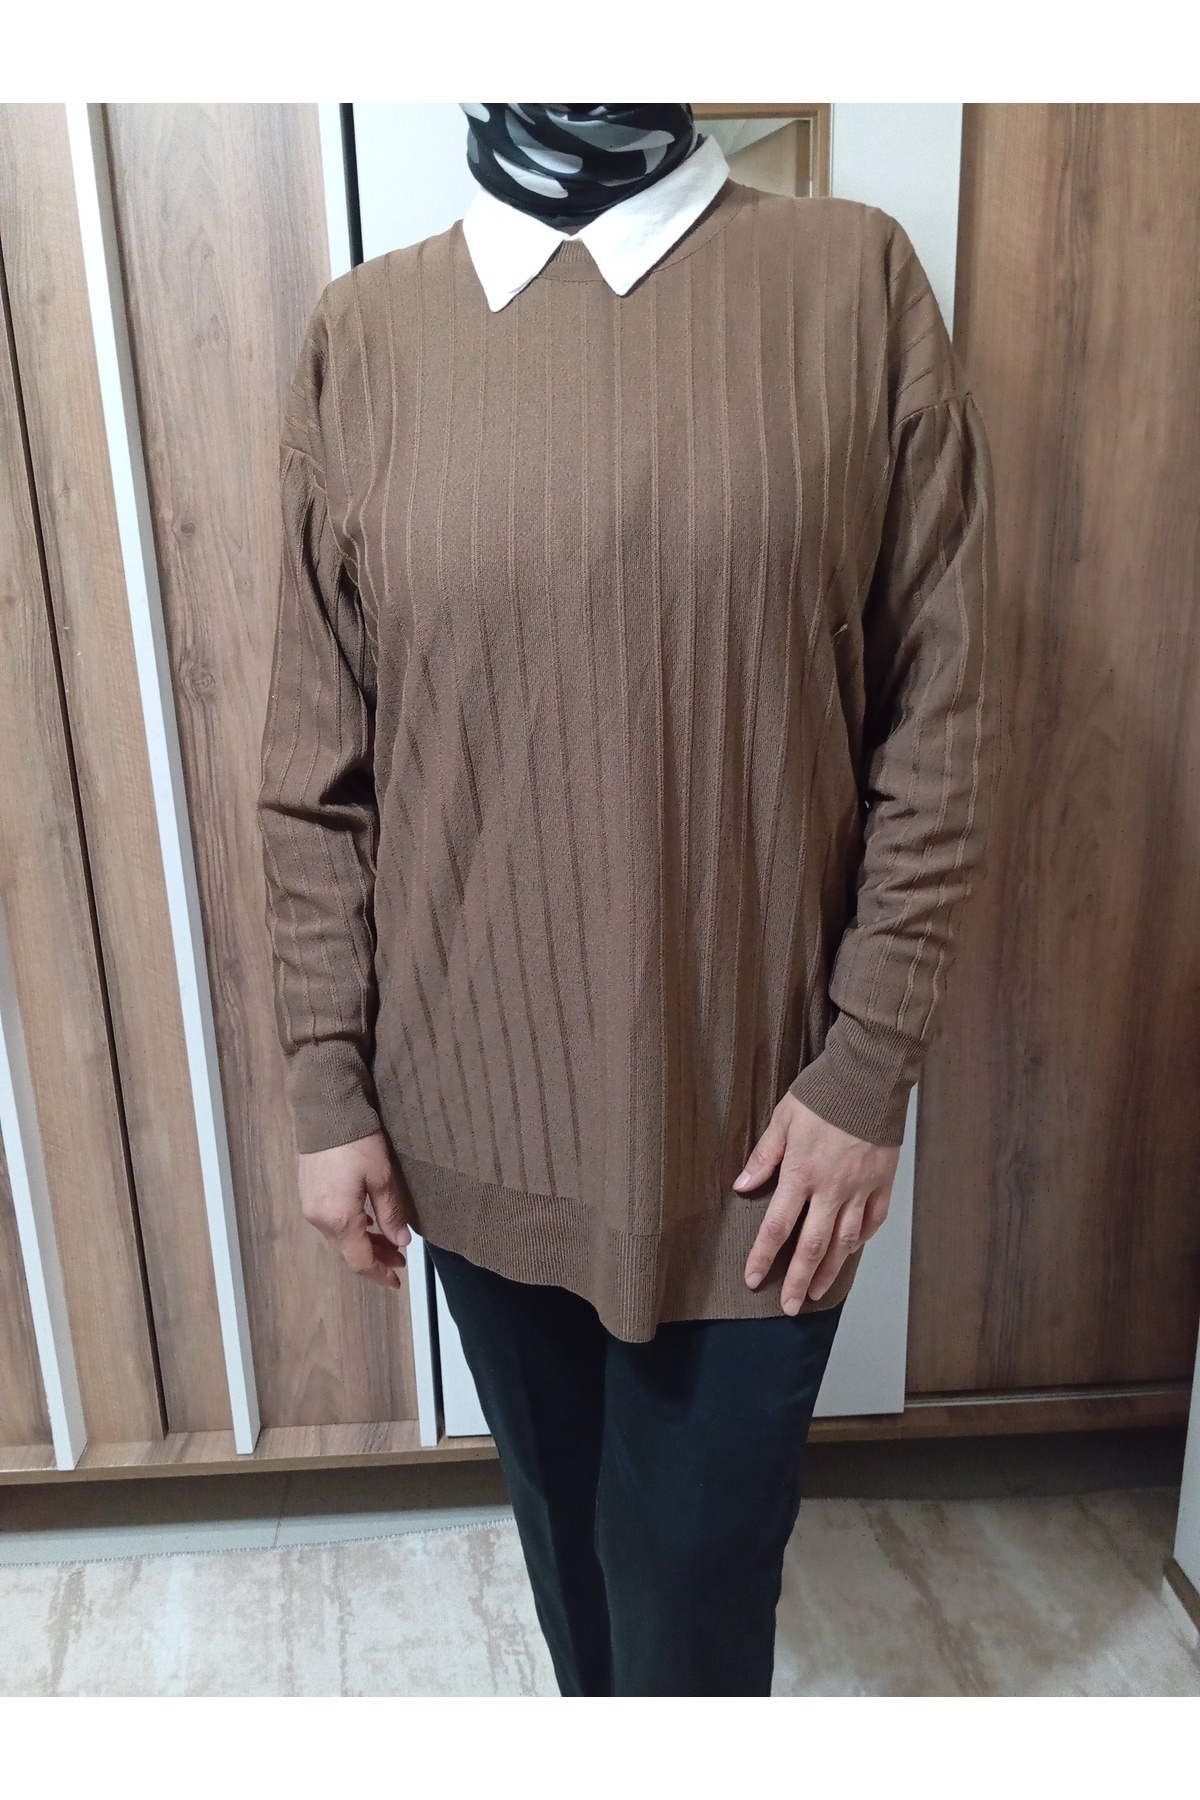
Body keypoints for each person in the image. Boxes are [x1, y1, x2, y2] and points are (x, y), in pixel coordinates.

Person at [257, 103, 1000, 1696]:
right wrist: (328, 1084)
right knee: (573, 1571)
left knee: (694, 1609)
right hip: (471, 1121)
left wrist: (869, 1068)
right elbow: (316, 772)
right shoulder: (364, 337)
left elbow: (939, 722)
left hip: (764, 1145)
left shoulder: (853, 285)